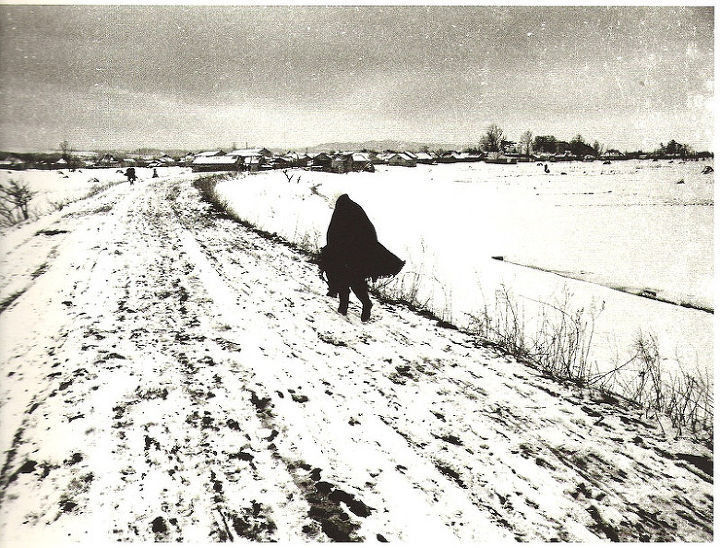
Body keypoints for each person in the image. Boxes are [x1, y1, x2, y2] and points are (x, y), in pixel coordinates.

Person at [319, 194, 404, 322]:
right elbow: (336, 232)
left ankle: (366, 304)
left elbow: (363, 233)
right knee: (342, 277)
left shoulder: (347, 211)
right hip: (345, 252)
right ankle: (343, 306)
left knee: (354, 281)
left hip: (356, 254)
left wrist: (350, 249)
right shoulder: (349, 209)